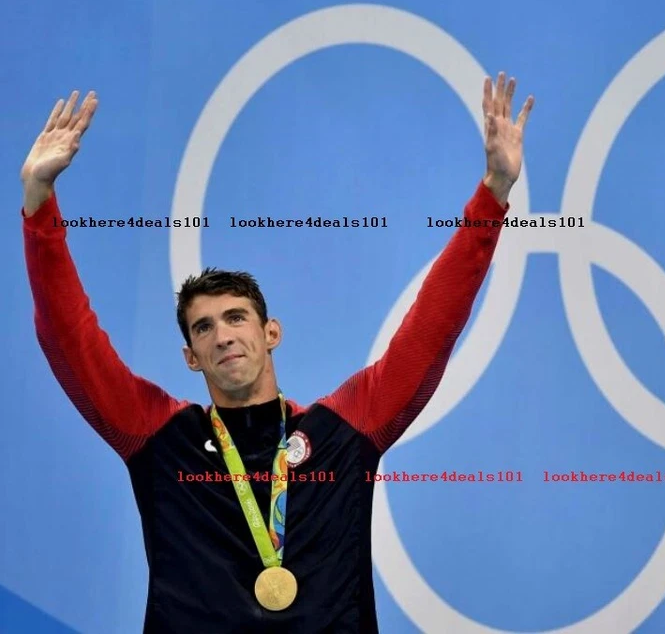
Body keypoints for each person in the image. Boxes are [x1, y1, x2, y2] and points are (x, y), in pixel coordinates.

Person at [20, 73, 533, 633]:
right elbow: (69, 340)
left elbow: (430, 331)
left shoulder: (344, 431)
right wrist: (39, 203)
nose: (223, 335)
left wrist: (493, 193)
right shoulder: (158, 438)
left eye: (237, 318)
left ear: (271, 334)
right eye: (204, 328)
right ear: (191, 357)